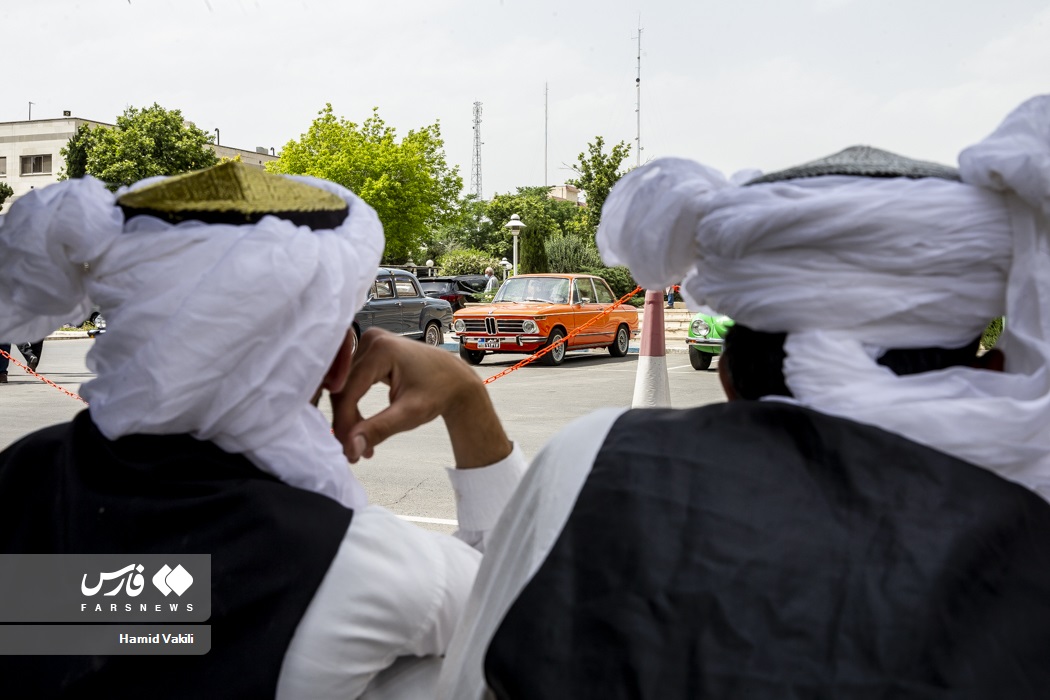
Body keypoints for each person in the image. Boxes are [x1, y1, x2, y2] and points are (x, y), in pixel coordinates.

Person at [334, 95, 1050, 698]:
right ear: (990, 368)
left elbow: (484, 661)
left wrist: (466, 397)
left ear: (730, 373)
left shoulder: (599, 459)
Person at [0, 162, 528, 698]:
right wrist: (465, 397)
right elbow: (523, 611)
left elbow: (102, 616)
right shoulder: (355, 563)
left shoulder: (22, 474)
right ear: (339, 360)